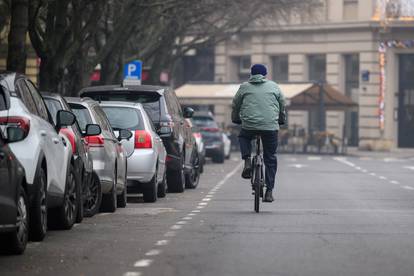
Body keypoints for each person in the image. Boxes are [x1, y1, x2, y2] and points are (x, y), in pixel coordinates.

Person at [231, 64, 286, 202]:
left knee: (243, 136)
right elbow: (282, 104)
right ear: (265, 75)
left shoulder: (244, 87)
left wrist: (235, 118)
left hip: (249, 125)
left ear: (251, 74)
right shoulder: (274, 86)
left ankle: (247, 161)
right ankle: (269, 191)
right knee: (271, 158)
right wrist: (281, 119)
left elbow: (236, 104)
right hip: (270, 126)